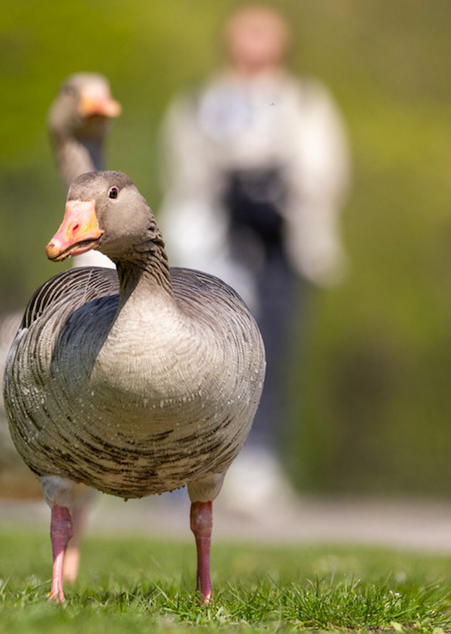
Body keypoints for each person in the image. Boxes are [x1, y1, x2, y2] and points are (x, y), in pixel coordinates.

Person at [159, 5, 352, 511]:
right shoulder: (203, 101)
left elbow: (326, 169)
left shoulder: (306, 101)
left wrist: (279, 184)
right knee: (202, 351)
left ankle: (260, 463)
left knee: (272, 351)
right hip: (217, 242)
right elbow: (184, 170)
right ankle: (189, 464)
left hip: (284, 242)